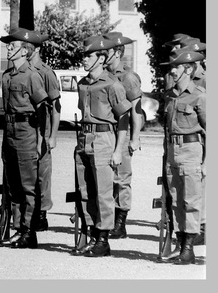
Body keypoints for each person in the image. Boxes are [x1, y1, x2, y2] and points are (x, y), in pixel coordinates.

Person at [72, 36, 131, 257]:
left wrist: (118, 150)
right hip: (84, 139)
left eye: (89, 56)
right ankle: (93, 234)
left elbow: (123, 118)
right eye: (85, 55)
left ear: (101, 58)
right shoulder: (83, 84)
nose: (85, 60)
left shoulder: (112, 85)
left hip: (105, 140)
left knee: (104, 192)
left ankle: (104, 240)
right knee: (86, 190)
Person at [0, 29, 51, 249]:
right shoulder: (7, 76)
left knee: (28, 184)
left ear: (25, 50)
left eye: (12, 46)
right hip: (9, 130)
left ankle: (29, 232)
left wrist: (40, 140)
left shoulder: (32, 75)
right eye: (8, 45)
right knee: (13, 184)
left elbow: (43, 109)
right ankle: (19, 229)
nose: (8, 48)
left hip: (27, 131)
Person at [160, 46, 206, 264]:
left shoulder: (200, 96)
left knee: (191, 201)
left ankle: (188, 249)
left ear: (188, 70)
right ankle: (180, 245)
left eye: (176, 67)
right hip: (173, 152)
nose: (172, 71)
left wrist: (208, 163)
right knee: (176, 201)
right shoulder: (169, 96)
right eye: (172, 67)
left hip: (191, 152)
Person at [102, 32, 144, 239]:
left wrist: (135, 138)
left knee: (121, 179)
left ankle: (120, 223)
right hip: (105, 134)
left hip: (123, 133)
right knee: (105, 178)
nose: (102, 53)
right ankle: (107, 219)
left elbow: (137, 110)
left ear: (117, 52)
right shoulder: (103, 74)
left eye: (106, 50)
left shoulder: (127, 77)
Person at [27, 33, 60, 233]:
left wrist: (53, 135)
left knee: (42, 173)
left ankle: (42, 213)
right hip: (25, 129)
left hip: (42, 128)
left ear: (37, 49)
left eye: (29, 46)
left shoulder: (46, 73)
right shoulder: (21, 70)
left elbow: (56, 106)